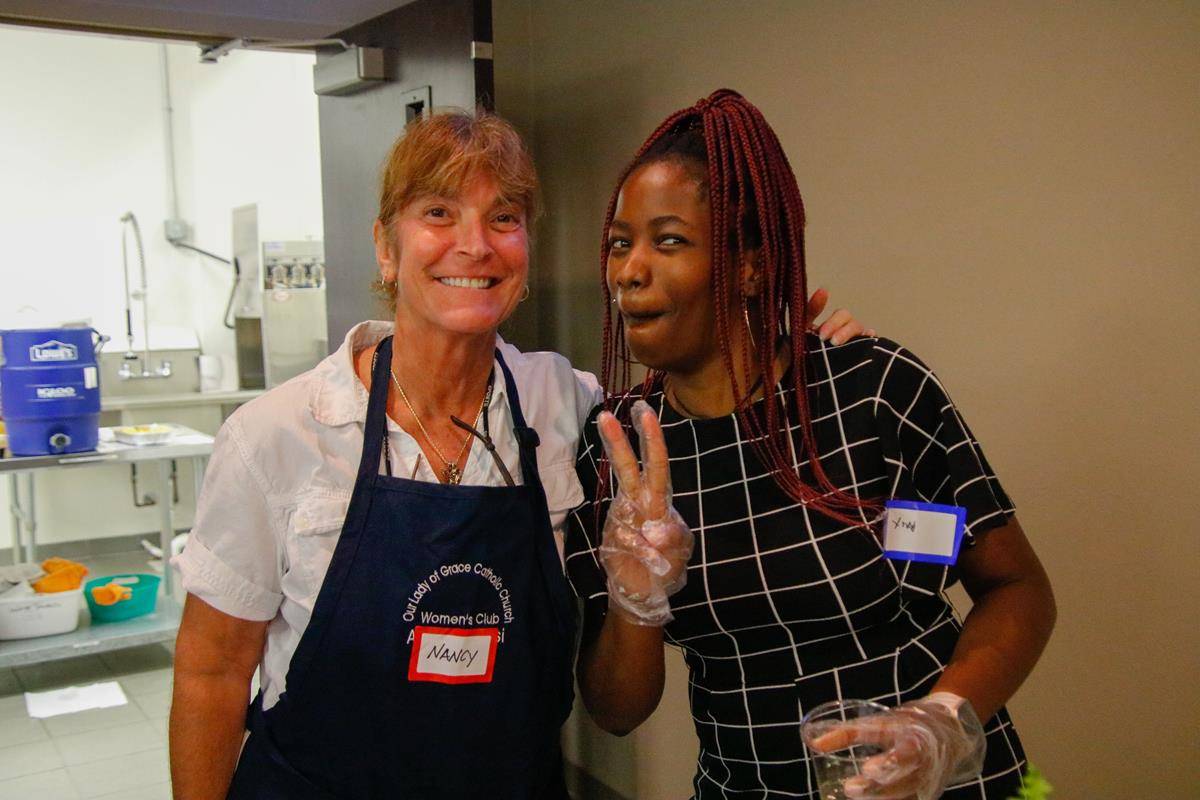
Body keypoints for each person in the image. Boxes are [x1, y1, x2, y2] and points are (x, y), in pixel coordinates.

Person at [168, 108, 867, 799]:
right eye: (439, 213)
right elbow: (211, 676)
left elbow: (704, 398)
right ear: (386, 246)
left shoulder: (568, 407)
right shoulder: (277, 435)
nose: (474, 246)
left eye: (503, 218)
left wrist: (794, 354)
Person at [565, 89, 1056, 800]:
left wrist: (942, 721)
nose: (629, 269)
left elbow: (1017, 589)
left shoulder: (872, 392)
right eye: (619, 242)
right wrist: (635, 601)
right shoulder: (622, 452)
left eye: (668, 240)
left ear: (751, 267)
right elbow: (615, 709)